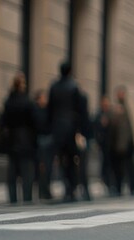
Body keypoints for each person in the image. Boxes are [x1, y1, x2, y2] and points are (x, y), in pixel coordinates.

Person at [46, 62, 91, 202]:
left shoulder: (54, 87)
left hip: (58, 129)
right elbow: (81, 111)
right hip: (71, 129)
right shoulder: (74, 87)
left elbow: (50, 109)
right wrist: (83, 130)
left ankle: (67, 187)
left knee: (62, 159)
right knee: (73, 160)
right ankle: (72, 188)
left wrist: (50, 128)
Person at [1, 72, 38, 204]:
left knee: (12, 172)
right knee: (26, 172)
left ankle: (13, 198)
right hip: (26, 139)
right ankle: (27, 198)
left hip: (12, 139)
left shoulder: (8, 101)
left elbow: (3, 121)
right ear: (22, 85)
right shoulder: (27, 102)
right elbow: (34, 122)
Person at [110, 86, 134, 196]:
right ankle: (119, 188)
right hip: (119, 145)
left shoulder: (131, 108)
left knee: (133, 167)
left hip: (132, 143)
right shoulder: (115, 109)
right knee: (119, 169)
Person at [32, 90, 52, 200]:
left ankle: (45, 189)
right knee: (41, 167)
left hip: (47, 140)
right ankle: (42, 190)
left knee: (47, 167)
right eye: (43, 98)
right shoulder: (36, 111)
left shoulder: (47, 110)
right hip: (39, 140)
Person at [94, 96, 115, 195]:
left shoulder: (112, 114)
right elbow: (95, 129)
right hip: (103, 144)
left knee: (111, 164)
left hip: (112, 143)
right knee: (104, 164)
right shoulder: (98, 115)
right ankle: (105, 181)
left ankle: (111, 183)